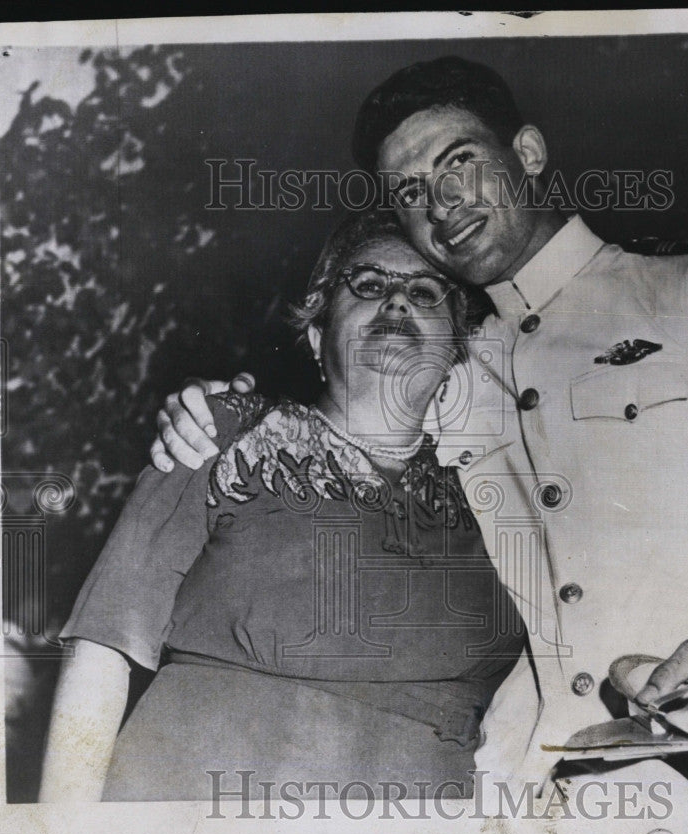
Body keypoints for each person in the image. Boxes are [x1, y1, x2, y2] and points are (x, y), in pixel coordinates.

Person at [151, 56, 688, 791]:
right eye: (410, 192)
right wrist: (221, 410)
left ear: (530, 154)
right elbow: (346, 432)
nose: (441, 205)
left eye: (459, 163)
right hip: (534, 797)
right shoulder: (449, 367)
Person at [40, 210, 525, 802]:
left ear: (455, 352)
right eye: (368, 285)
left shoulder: (499, 489)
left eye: (425, 293)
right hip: (200, 810)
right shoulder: (221, 434)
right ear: (318, 336)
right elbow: (102, 650)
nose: (397, 302)